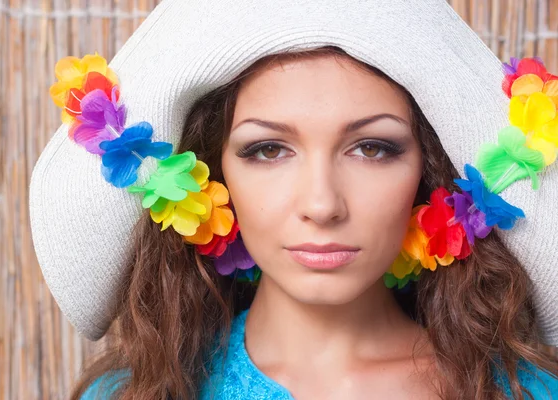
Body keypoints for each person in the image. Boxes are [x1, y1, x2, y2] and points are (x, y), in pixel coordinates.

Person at [29, 0, 558, 399]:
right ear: (209, 177)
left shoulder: (522, 392)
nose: (322, 204)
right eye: (268, 150)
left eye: (372, 148)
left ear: (430, 170)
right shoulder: (135, 393)